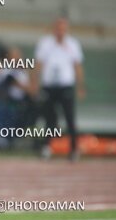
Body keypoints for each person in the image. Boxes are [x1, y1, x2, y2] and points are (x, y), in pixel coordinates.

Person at [33, 17, 86, 161]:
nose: (60, 32)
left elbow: (77, 66)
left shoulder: (72, 44)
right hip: (49, 86)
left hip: (65, 85)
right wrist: (35, 83)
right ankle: (46, 147)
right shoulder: (45, 43)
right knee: (49, 118)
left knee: (70, 118)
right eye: (58, 28)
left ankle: (74, 148)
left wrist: (81, 86)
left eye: (63, 29)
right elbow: (39, 64)